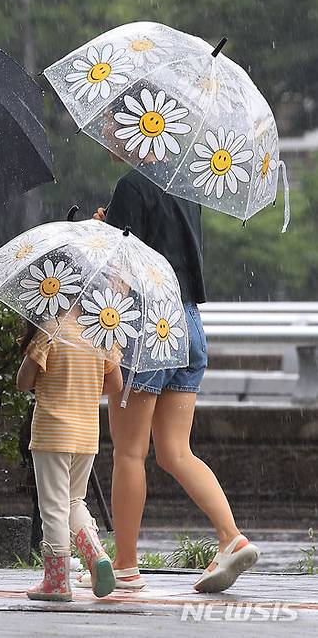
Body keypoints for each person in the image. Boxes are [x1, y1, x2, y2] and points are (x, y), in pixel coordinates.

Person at [94, 159, 260, 593]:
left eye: (115, 124)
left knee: (130, 452)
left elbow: (120, 274)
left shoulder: (131, 185)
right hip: (187, 324)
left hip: (149, 323)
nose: (110, 137)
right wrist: (111, 224)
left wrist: (102, 232)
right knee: (174, 450)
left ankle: (126, 564)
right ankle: (231, 536)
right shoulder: (186, 186)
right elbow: (166, 249)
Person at [16, 311, 123, 601]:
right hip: (86, 434)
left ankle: (57, 582)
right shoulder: (100, 330)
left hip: (52, 432)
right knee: (74, 500)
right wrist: (82, 389)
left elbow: (23, 382)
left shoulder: (49, 331)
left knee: (53, 507)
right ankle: (96, 553)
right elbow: (115, 384)